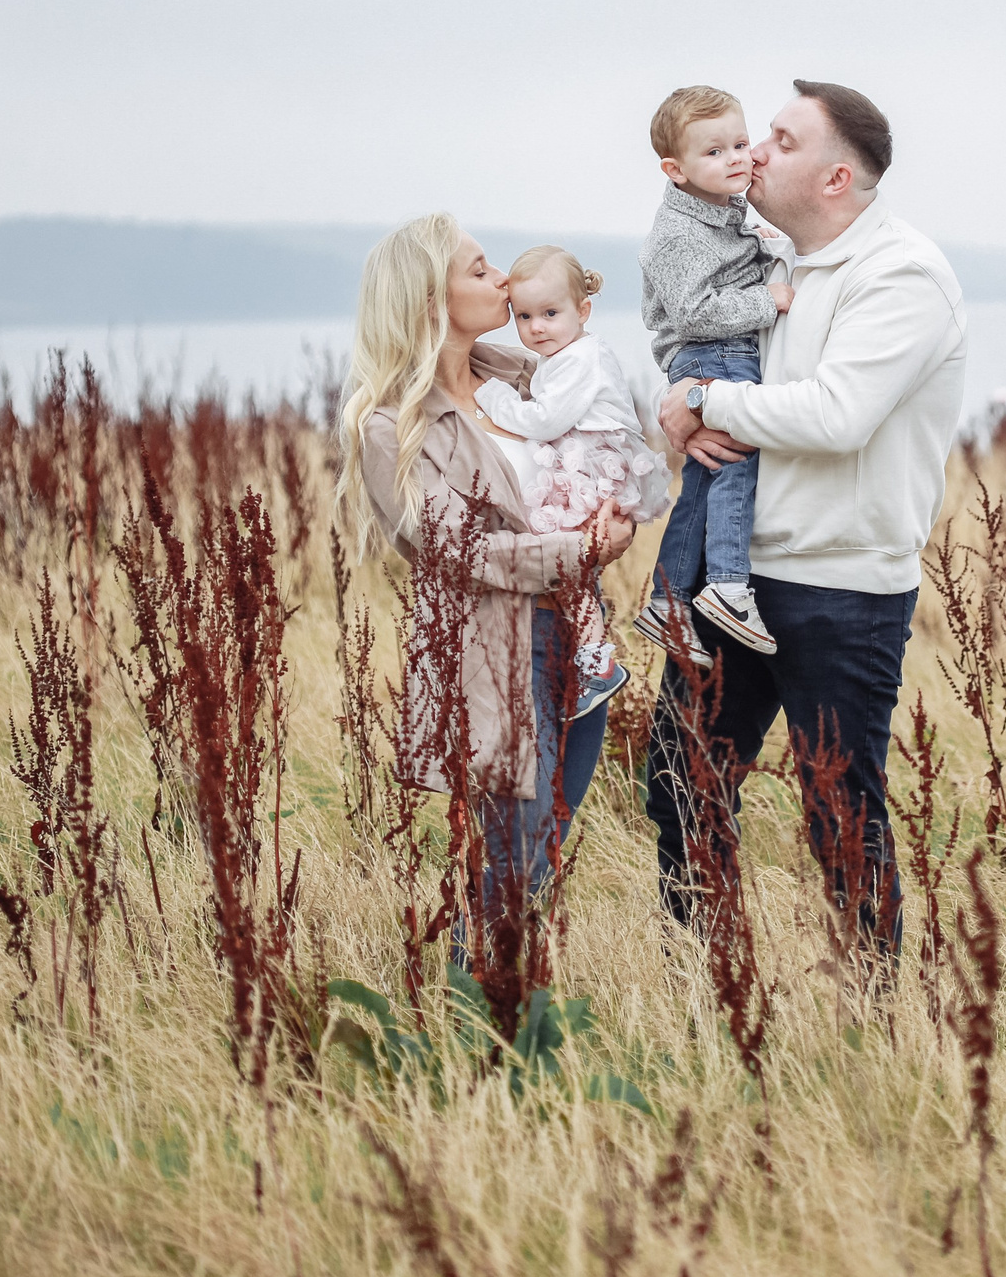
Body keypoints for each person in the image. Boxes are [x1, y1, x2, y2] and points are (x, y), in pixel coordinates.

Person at [646, 81, 967, 950]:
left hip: (842, 589)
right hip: (738, 582)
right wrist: (685, 402)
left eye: (780, 141)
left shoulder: (902, 273)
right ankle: (708, 991)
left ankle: (869, 1025)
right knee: (680, 777)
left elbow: (834, 416)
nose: (754, 152)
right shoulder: (774, 265)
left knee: (838, 806)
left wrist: (707, 400)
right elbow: (693, 357)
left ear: (835, 177)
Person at [334, 213, 638, 911]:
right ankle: (474, 1017)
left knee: (542, 855)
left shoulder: (528, 374)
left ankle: (519, 1012)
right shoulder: (390, 426)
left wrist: (616, 500)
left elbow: (599, 439)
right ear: (429, 304)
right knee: (512, 861)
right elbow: (458, 552)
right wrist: (579, 549)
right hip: (495, 654)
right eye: (478, 270)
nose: (501, 278)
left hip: (579, 637)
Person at [632, 84, 796, 666]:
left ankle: (668, 600)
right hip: (711, 352)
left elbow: (728, 260)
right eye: (714, 152)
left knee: (702, 483)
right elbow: (695, 311)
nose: (734, 158)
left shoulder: (720, 211)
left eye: (739, 142)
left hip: (717, 354)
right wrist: (768, 298)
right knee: (737, 456)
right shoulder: (677, 233)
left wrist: (763, 244)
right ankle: (727, 583)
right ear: (675, 170)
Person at [474, 244, 669, 715]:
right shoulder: (563, 355)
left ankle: (597, 659)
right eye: (523, 316)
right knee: (567, 560)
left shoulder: (584, 358)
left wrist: (495, 398)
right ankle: (593, 653)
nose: (536, 327)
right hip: (585, 464)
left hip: (595, 466)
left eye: (549, 313)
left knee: (561, 552)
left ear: (583, 310)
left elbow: (544, 420)